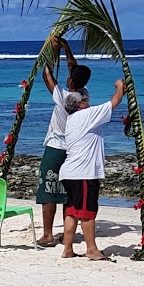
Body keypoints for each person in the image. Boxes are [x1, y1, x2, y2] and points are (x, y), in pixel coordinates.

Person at [59, 79, 125, 260]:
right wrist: (119, 86)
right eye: (86, 99)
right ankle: (91, 248)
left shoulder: (71, 120)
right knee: (88, 211)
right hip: (83, 173)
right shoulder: (85, 115)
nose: (89, 101)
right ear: (80, 104)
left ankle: (68, 248)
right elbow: (114, 102)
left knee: (72, 211)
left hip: (70, 173)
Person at [35, 36, 91, 246]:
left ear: (71, 82)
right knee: (69, 191)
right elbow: (73, 69)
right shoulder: (84, 96)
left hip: (57, 147)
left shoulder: (62, 97)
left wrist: (50, 52)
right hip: (75, 149)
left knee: (48, 189)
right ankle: (68, 233)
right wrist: (67, 48)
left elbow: (46, 74)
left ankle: (48, 234)